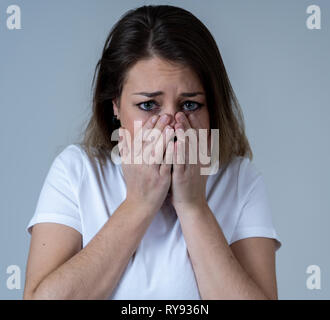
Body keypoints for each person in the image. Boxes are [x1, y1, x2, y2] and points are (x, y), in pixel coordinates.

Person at [23, 4, 281, 300]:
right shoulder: (76, 171)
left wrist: (193, 206)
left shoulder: (240, 180)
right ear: (116, 106)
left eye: (190, 105)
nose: (172, 126)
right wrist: (139, 203)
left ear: (212, 108)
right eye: (149, 105)